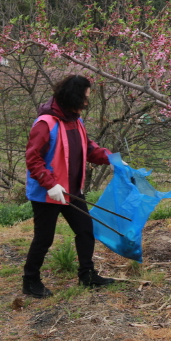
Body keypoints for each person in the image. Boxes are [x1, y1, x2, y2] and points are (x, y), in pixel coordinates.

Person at [22, 74, 115, 298]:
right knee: (44, 238)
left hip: (72, 190)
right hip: (48, 193)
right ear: (74, 96)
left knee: (85, 230)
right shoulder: (46, 123)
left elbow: (88, 148)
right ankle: (30, 280)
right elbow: (33, 159)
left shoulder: (76, 120)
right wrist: (51, 185)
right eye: (85, 97)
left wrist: (112, 159)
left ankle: (87, 275)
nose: (87, 101)